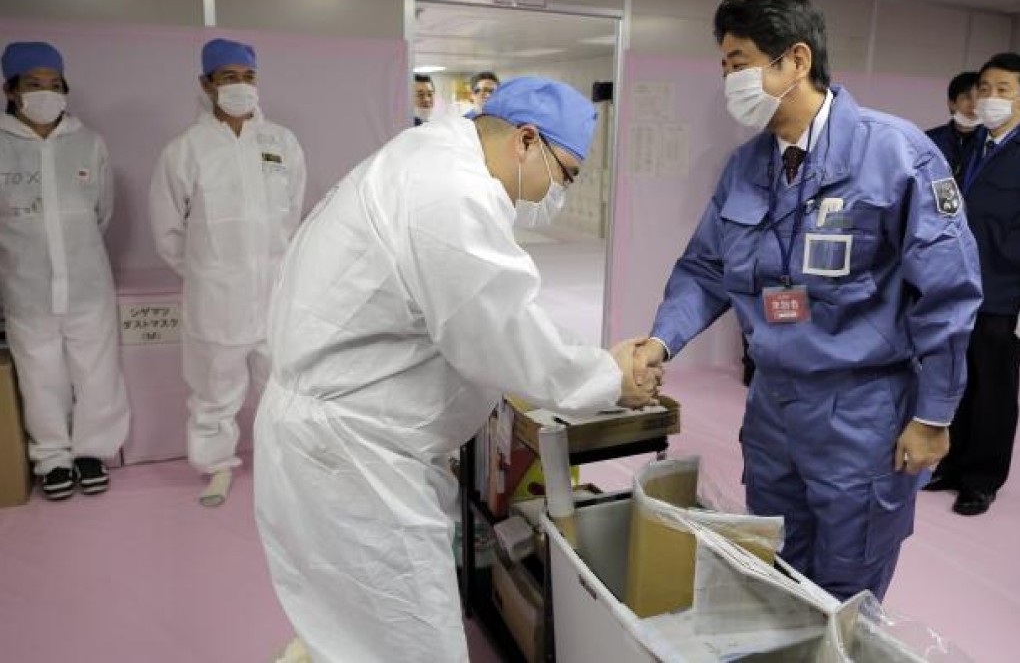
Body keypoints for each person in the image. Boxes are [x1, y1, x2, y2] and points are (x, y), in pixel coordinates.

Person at [254, 76, 661, 662]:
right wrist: (609, 377)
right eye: (565, 174)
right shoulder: (451, 191)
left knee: (346, 631)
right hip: (355, 456)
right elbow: (500, 332)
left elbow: (475, 307)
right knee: (413, 642)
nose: (559, 192)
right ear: (526, 141)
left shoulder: (427, 155)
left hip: (334, 436)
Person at [634, 0, 982, 602]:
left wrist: (933, 416)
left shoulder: (894, 153)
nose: (729, 80)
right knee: (779, 565)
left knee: (848, 581)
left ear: (796, 60)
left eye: (739, 63)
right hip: (773, 404)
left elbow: (948, 292)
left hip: (862, 410)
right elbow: (705, 268)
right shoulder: (746, 167)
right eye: (724, 67)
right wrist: (660, 342)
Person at [149, 38, 306, 507]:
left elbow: (293, 213)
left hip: (274, 291)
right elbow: (167, 229)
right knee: (214, 388)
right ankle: (216, 465)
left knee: (282, 383)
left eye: (248, 76)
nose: (240, 85)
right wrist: (208, 272)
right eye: (228, 77)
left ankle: (284, 463)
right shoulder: (186, 149)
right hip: (216, 297)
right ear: (206, 83)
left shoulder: (282, 142)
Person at [0, 42, 130, 500]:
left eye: (54, 84)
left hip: (86, 283)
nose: (46, 93)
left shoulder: (88, 142)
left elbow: (102, 212)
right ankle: (52, 458)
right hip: (26, 287)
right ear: (11, 90)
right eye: (34, 84)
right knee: (40, 377)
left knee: (97, 372)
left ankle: (92, 451)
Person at [928, 52, 1020, 516]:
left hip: (1003, 289)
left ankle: (982, 479)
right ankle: (953, 464)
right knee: (957, 379)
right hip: (959, 283)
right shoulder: (972, 145)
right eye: (985, 88)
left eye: (1004, 89)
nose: (990, 97)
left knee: (993, 390)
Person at [926, 71, 980, 183]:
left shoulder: (992, 142)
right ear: (952, 103)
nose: (974, 105)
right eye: (967, 97)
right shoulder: (929, 140)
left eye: (979, 98)